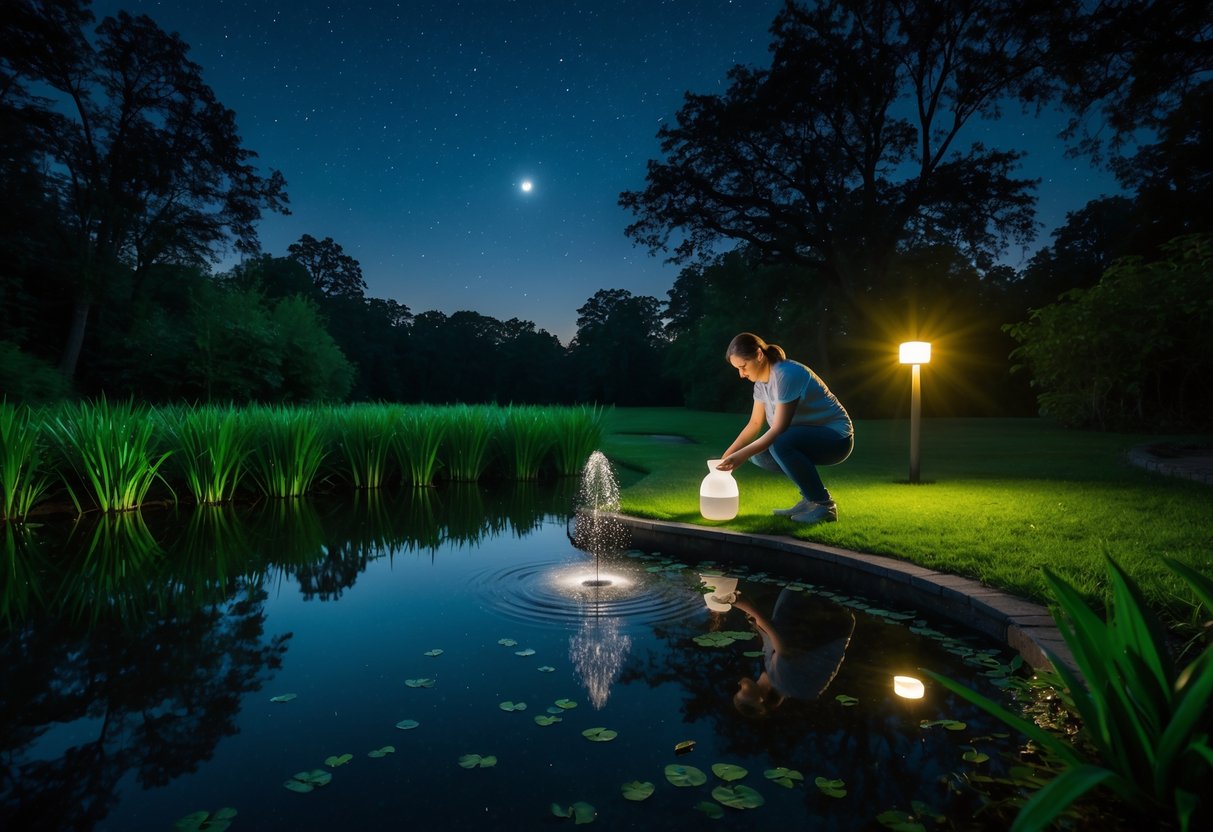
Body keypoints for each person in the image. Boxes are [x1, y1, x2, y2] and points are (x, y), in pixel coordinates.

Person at [716, 332, 853, 525]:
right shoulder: (761, 385)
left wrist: (741, 455)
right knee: (760, 454)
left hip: (835, 439)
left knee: (779, 442)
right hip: (802, 437)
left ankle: (824, 505)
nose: (741, 374)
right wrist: (727, 455)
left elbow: (779, 428)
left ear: (759, 355)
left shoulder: (787, 374)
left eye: (743, 366)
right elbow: (754, 424)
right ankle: (809, 499)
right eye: (737, 369)